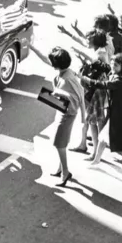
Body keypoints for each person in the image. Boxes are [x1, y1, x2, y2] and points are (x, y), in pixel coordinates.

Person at [29, 45, 85, 186]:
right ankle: (61, 169)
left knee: (59, 144)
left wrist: (58, 93)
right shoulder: (66, 71)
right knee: (61, 142)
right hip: (62, 112)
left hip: (67, 115)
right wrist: (30, 46)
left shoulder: (67, 79)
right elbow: (44, 59)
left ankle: (65, 172)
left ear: (57, 64)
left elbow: (78, 96)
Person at [82, 54, 122, 171]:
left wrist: (87, 79)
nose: (113, 67)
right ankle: (96, 159)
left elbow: (104, 85)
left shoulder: (121, 79)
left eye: (116, 65)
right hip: (118, 111)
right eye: (112, 64)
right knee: (104, 136)